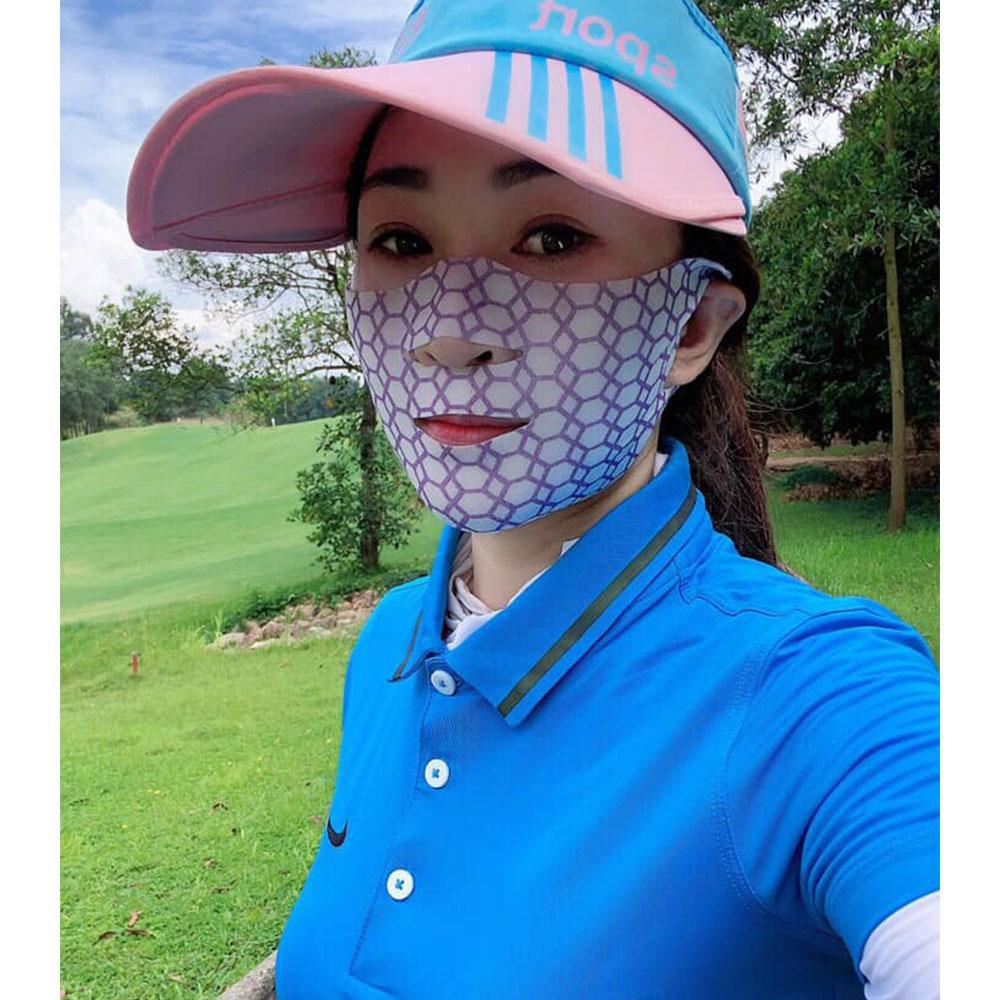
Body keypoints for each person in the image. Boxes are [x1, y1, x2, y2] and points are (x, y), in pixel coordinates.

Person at [127, 2, 940, 997]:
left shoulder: (814, 697)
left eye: (550, 238)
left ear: (691, 324)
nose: (447, 330)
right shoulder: (386, 644)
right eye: (400, 239)